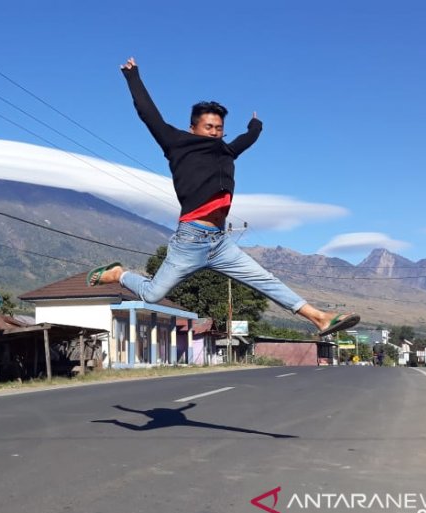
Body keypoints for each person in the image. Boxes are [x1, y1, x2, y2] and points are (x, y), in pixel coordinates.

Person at [87, 57, 359, 338]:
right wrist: (133, 76)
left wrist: (256, 125)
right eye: (209, 127)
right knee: (153, 294)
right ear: (193, 128)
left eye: (219, 128)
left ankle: (320, 318)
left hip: (220, 242)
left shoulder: (226, 151)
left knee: (265, 280)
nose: (215, 133)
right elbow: (148, 113)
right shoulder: (177, 143)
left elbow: (247, 139)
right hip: (190, 240)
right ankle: (119, 274)